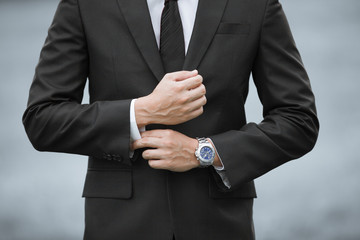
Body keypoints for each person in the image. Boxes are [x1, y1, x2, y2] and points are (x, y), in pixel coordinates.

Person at [23, 0, 319, 239]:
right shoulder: (85, 5)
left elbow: (298, 119)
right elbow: (43, 118)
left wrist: (203, 152)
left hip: (218, 225)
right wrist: (143, 111)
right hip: (118, 224)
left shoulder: (255, 4)